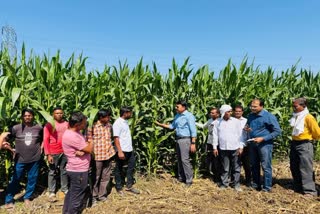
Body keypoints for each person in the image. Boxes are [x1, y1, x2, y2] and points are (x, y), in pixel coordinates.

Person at [5, 108, 43, 209]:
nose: (27, 117)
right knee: (15, 180)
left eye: (29, 115)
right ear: (22, 117)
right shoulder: (15, 128)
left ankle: (27, 197)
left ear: (33, 116)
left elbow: (44, 139)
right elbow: (5, 138)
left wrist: (42, 148)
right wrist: (9, 148)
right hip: (20, 159)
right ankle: (9, 199)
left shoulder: (38, 128)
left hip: (34, 159)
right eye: (25, 115)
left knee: (32, 179)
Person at [155, 100, 197, 187]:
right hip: (178, 139)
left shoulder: (189, 116)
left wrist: (193, 143)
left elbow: (193, 130)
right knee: (179, 159)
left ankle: (189, 180)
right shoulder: (177, 116)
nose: (176, 108)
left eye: (177, 106)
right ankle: (181, 178)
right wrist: (160, 124)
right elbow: (172, 126)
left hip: (185, 140)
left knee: (185, 160)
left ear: (183, 107)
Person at [245, 98, 281, 192]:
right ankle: (256, 185)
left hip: (265, 145)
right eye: (251, 106)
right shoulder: (250, 116)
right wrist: (247, 128)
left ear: (261, 106)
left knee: (266, 166)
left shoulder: (269, 116)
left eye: (255, 106)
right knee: (254, 165)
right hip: (253, 143)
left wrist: (263, 138)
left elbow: (277, 131)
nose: (252, 108)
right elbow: (248, 125)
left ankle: (267, 187)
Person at [62, 112, 92, 214]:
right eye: (84, 123)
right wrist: (90, 141)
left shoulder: (75, 132)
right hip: (78, 170)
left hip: (75, 169)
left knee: (72, 193)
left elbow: (83, 148)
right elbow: (89, 148)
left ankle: (66, 212)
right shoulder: (72, 136)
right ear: (77, 125)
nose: (85, 125)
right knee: (77, 197)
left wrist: (83, 150)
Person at [289, 98, 320, 197]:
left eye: (295, 106)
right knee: (294, 166)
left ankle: (310, 191)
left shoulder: (308, 117)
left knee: (306, 167)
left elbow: (317, 132)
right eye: (293, 105)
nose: (293, 107)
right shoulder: (295, 116)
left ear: (303, 106)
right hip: (294, 143)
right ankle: (298, 187)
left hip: (304, 144)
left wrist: (309, 139)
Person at [86, 109, 116, 204]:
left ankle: (102, 195)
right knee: (96, 177)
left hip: (108, 155)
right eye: (107, 117)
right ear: (101, 117)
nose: (109, 118)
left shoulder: (109, 126)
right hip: (97, 157)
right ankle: (94, 197)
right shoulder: (92, 127)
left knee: (106, 177)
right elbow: (89, 142)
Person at [212, 105, 244, 191]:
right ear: (223, 112)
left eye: (230, 111)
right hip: (223, 148)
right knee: (225, 167)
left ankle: (236, 184)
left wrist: (241, 146)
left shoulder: (236, 122)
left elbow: (240, 135)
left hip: (235, 147)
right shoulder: (217, 122)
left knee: (236, 167)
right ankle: (224, 184)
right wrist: (214, 147)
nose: (230, 113)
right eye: (228, 111)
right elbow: (215, 135)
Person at [43, 107, 69, 199]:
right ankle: (51, 191)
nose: (59, 115)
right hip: (53, 152)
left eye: (61, 113)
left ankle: (64, 188)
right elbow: (45, 140)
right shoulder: (49, 125)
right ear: (53, 114)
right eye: (57, 113)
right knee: (52, 171)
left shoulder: (67, 124)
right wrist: (48, 154)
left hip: (65, 151)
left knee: (64, 170)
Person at [113, 107, 140, 195]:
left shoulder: (125, 122)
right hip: (122, 150)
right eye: (130, 113)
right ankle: (119, 187)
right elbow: (116, 138)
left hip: (129, 149)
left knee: (131, 166)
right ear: (125, 113)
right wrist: (119, 151)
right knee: (119, 169)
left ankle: (129, 185)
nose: (131, 114)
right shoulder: (118, 123)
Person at [196, 107, 221, 182]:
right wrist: (193, 122)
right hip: (210, 142)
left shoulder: (220, 122)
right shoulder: (210, 120)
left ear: (218, 114)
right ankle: (213, 175)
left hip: (217, 143)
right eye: (211, 112)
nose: (211, 114)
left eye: (213, 113)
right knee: (211, 160)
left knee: (217, 160)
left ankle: (218, 177)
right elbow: (203, 126)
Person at [234, 105, 251, 186]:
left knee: (246, 164)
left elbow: (248, 133)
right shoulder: (231, 120)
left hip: (245, 145)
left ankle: (248, 181)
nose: (237, 113)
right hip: (233, 146)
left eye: (239, 111)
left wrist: (243, 145)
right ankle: (235, 180)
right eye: (236, 111)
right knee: (235, 164)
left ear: (242, 112)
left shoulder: (246, 121)